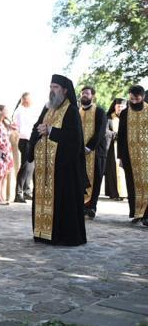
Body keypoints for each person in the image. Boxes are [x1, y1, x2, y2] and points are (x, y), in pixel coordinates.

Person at [28, 74, 87, 246]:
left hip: (64, 168)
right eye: (50, 87)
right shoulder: (47, 108)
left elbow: (75, 139)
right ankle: (43, 234)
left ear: (65, 90)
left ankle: (63, 236)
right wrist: (32, 146)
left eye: (55, 87)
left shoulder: (72, 111)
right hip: (45, 168)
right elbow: (37, 127)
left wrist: (51, 131)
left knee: (63, 203)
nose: (52, 91)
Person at [117, 85, 148, 226]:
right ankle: (136, 213)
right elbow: (121, 135)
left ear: (142, 97)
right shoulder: (124, 113)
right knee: (132, 184)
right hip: (129, 155)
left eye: (137, 98)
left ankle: (146, 215)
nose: (134, 101)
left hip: (146, 155)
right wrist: (121, 157)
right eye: (131, 98)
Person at [79, 86, 108, 219]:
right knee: (81, 178)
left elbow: (101, 132)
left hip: (96, 152)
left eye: (87, 93)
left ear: (93, 96)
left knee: (95, 179)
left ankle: (92, 207)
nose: (84, 95)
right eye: (83, 93)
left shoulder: (100, 111)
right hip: (79, 152)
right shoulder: (77, 111)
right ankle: (81, 206)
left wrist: (89, 147)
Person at [12, 93, 36, 203]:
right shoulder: (20, 111)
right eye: (30, 98)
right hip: (25, 140)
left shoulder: (30, 110)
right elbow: (22, 128)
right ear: (25, 99)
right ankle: (18, 193)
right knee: (25, 165)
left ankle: (27, 190)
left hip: (31, 140)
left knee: (31, 166)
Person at [104, 99, 127, 200]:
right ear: (114, 107)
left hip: (124, 148)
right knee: (113, 170)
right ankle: (114, 193)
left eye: (122, 107)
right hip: (112, 148)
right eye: (118, 106)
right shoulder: (108, 118)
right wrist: (116, 135)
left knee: (125, 170)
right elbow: (105, 131)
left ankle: (125, 193)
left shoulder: (127, 117)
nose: (120, 108)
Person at [0, 105, 15, 206]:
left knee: (4, 175)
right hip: (0, 153)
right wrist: (3, 150)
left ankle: (2, 196)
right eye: (5, 110)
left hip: (7, 152)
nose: (7, 112)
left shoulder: (4, 124)